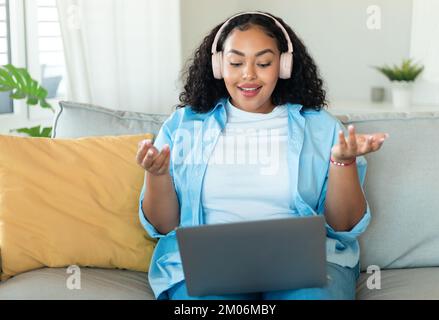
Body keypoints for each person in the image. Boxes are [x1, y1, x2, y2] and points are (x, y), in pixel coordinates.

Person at [136, 11, 388, 300]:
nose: (249, 74)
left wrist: (343, 162)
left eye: (264, 63)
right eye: (236, 62)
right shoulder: (184, 125)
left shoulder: (321, 127)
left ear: (283, 65)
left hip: (301, 266)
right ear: (218, 65)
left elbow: (344, 226)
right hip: (210, 268)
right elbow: (164, 226)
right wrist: (157, 175)